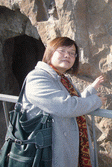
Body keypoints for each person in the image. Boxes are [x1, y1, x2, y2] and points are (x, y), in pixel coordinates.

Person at [22, 37, 106, 167]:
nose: (67, 55)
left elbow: (73, 102)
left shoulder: (62, 79)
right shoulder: (37, 77)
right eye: (62, 51)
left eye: (72, 53)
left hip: (65, 144)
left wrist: (91, 90)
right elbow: (65, 106)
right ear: (50, 53)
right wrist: (95, 101)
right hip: (48, 149)